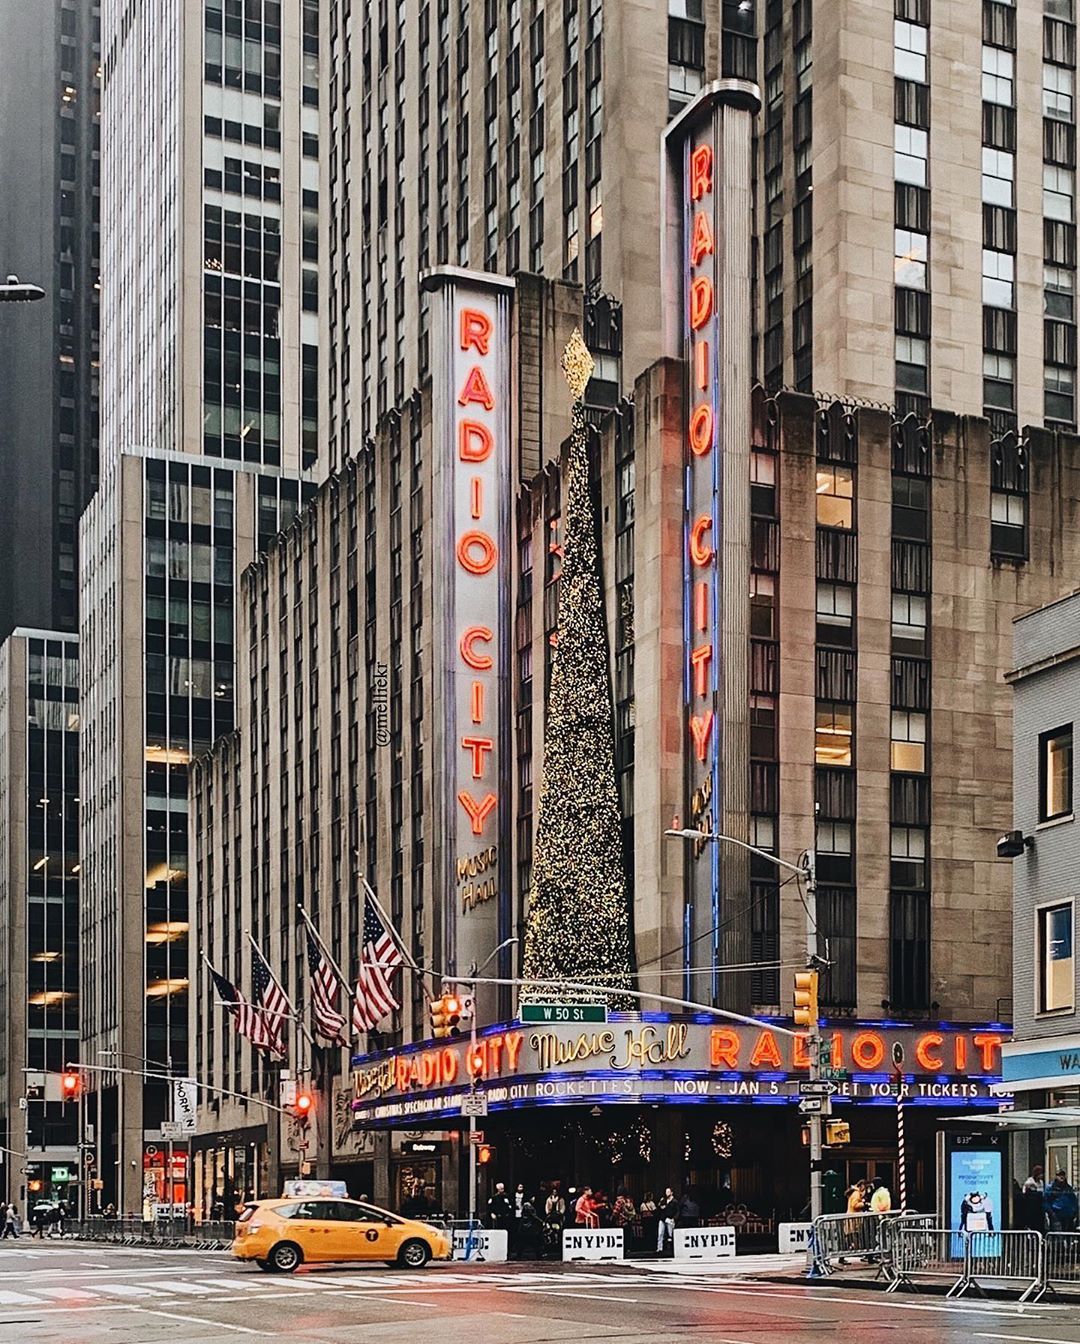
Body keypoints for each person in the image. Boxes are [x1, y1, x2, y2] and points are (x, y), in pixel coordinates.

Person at [1020, 1165, 1046, 1231]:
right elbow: (1024, 1192)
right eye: (1040, 1174)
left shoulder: (1041, 1182)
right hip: (1031, 1206)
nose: (1042, 1175)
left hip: (1039, 1206)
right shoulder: (1029, 1182)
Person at [656, 1188, 678, 1254]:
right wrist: (660, 1205)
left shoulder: (674, 1201)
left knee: (670, 1234)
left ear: (671, 1192)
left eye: (668, 1192)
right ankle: (659, 1248)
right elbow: (659, 1208)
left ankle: (671, 1248)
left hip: (670, 1219)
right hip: (663, 1218)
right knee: (660, 1233)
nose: (667, 1193)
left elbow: (677, 1211)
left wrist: (674, 1218)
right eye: (666, 1192)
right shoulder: (663, 1200)